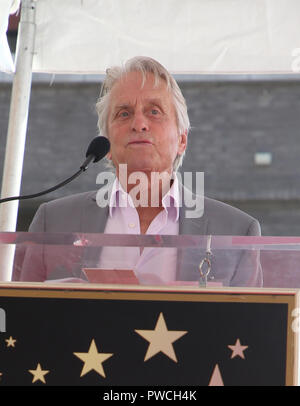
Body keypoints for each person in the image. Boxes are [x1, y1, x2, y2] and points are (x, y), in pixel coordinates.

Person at [14, 56, 262, 286]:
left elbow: (251, 329)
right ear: (106, 143)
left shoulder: (236, 231)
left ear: (182, 140)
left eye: (154, 111)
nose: (139, 124)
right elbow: (22, 321)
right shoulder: (53, 222)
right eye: (124, 113)